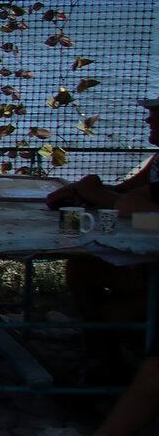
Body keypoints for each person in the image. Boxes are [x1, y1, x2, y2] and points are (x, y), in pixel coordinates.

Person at [45, 97, 159, 381]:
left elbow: (132, 207)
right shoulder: (158, 161)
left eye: (155, 114)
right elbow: (126, 193)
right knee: (81, 267)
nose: (148, 120)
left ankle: (113, 367)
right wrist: (85, 191)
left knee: (116, 315)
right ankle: (104, 357)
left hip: (152, 267)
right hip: (150, 260)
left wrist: (97, 194)